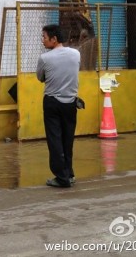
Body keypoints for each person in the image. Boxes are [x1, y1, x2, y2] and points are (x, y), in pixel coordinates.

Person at [36, 24, 80, 188]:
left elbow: (40, 77)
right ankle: (69, 173)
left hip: (52, 103)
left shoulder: (45, 58)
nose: (43, 40)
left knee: (55, 139)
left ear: (54, 39)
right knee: (68, 138)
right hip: (71, 102)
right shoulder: (76, 54)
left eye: (44, 37)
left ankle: (61, 177)